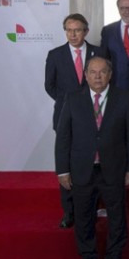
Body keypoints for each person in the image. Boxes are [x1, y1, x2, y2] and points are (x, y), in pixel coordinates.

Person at [55, 56, 129, 259]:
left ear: (110, 74)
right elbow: (63, 137)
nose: (98, 76)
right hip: (82, 169)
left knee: (117, 217)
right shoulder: (72, 99)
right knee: (83, 217)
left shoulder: (125, 98)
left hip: (114, 169)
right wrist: (63, 171)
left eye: (103, 72)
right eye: (93, 72)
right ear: (86, 74)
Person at [45, 13, 102, 229]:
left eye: (77, 30)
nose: (73, 34)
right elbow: (49, 85)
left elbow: (103, 81)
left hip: (96, 116)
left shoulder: (99, 52)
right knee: (66, 164)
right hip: (65, 117)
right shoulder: (55, 54)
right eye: (69, 30)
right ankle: (69, 212)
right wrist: (71, 105)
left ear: (86, 31)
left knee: (93, 163)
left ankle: (92, 208)